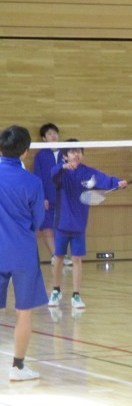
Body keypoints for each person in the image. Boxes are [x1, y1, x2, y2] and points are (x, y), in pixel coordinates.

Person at [48, 139, 128, 309]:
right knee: (59, 257)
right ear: (65, 156)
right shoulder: (61, 172)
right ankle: (55, 291)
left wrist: (118, 182)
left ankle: (76, 295)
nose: (76, 154)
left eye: (79, 151)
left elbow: (104, 180)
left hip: (79, 224)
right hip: (62, 223)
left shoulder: (88, 172)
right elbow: (52, 174)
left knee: (77, 259)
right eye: (72, 151)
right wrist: (63, 167)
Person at [0, 125, 48, 381]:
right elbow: (38, 221)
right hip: (23, 254)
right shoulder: (33, 182)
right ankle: (17, 368)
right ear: (26, 151)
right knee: (24, 312)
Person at [32, 123, 72, 267]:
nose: (53, 136)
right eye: (49, 134)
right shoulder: (40, 156)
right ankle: (56, 256)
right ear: (44, 139)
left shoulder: (66, 154)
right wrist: (42, 197)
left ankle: (63, 254)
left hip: (64, 198)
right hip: (48, 198)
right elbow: (38, 177)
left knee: (63, 227)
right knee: (47, 226)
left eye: (55, 133)